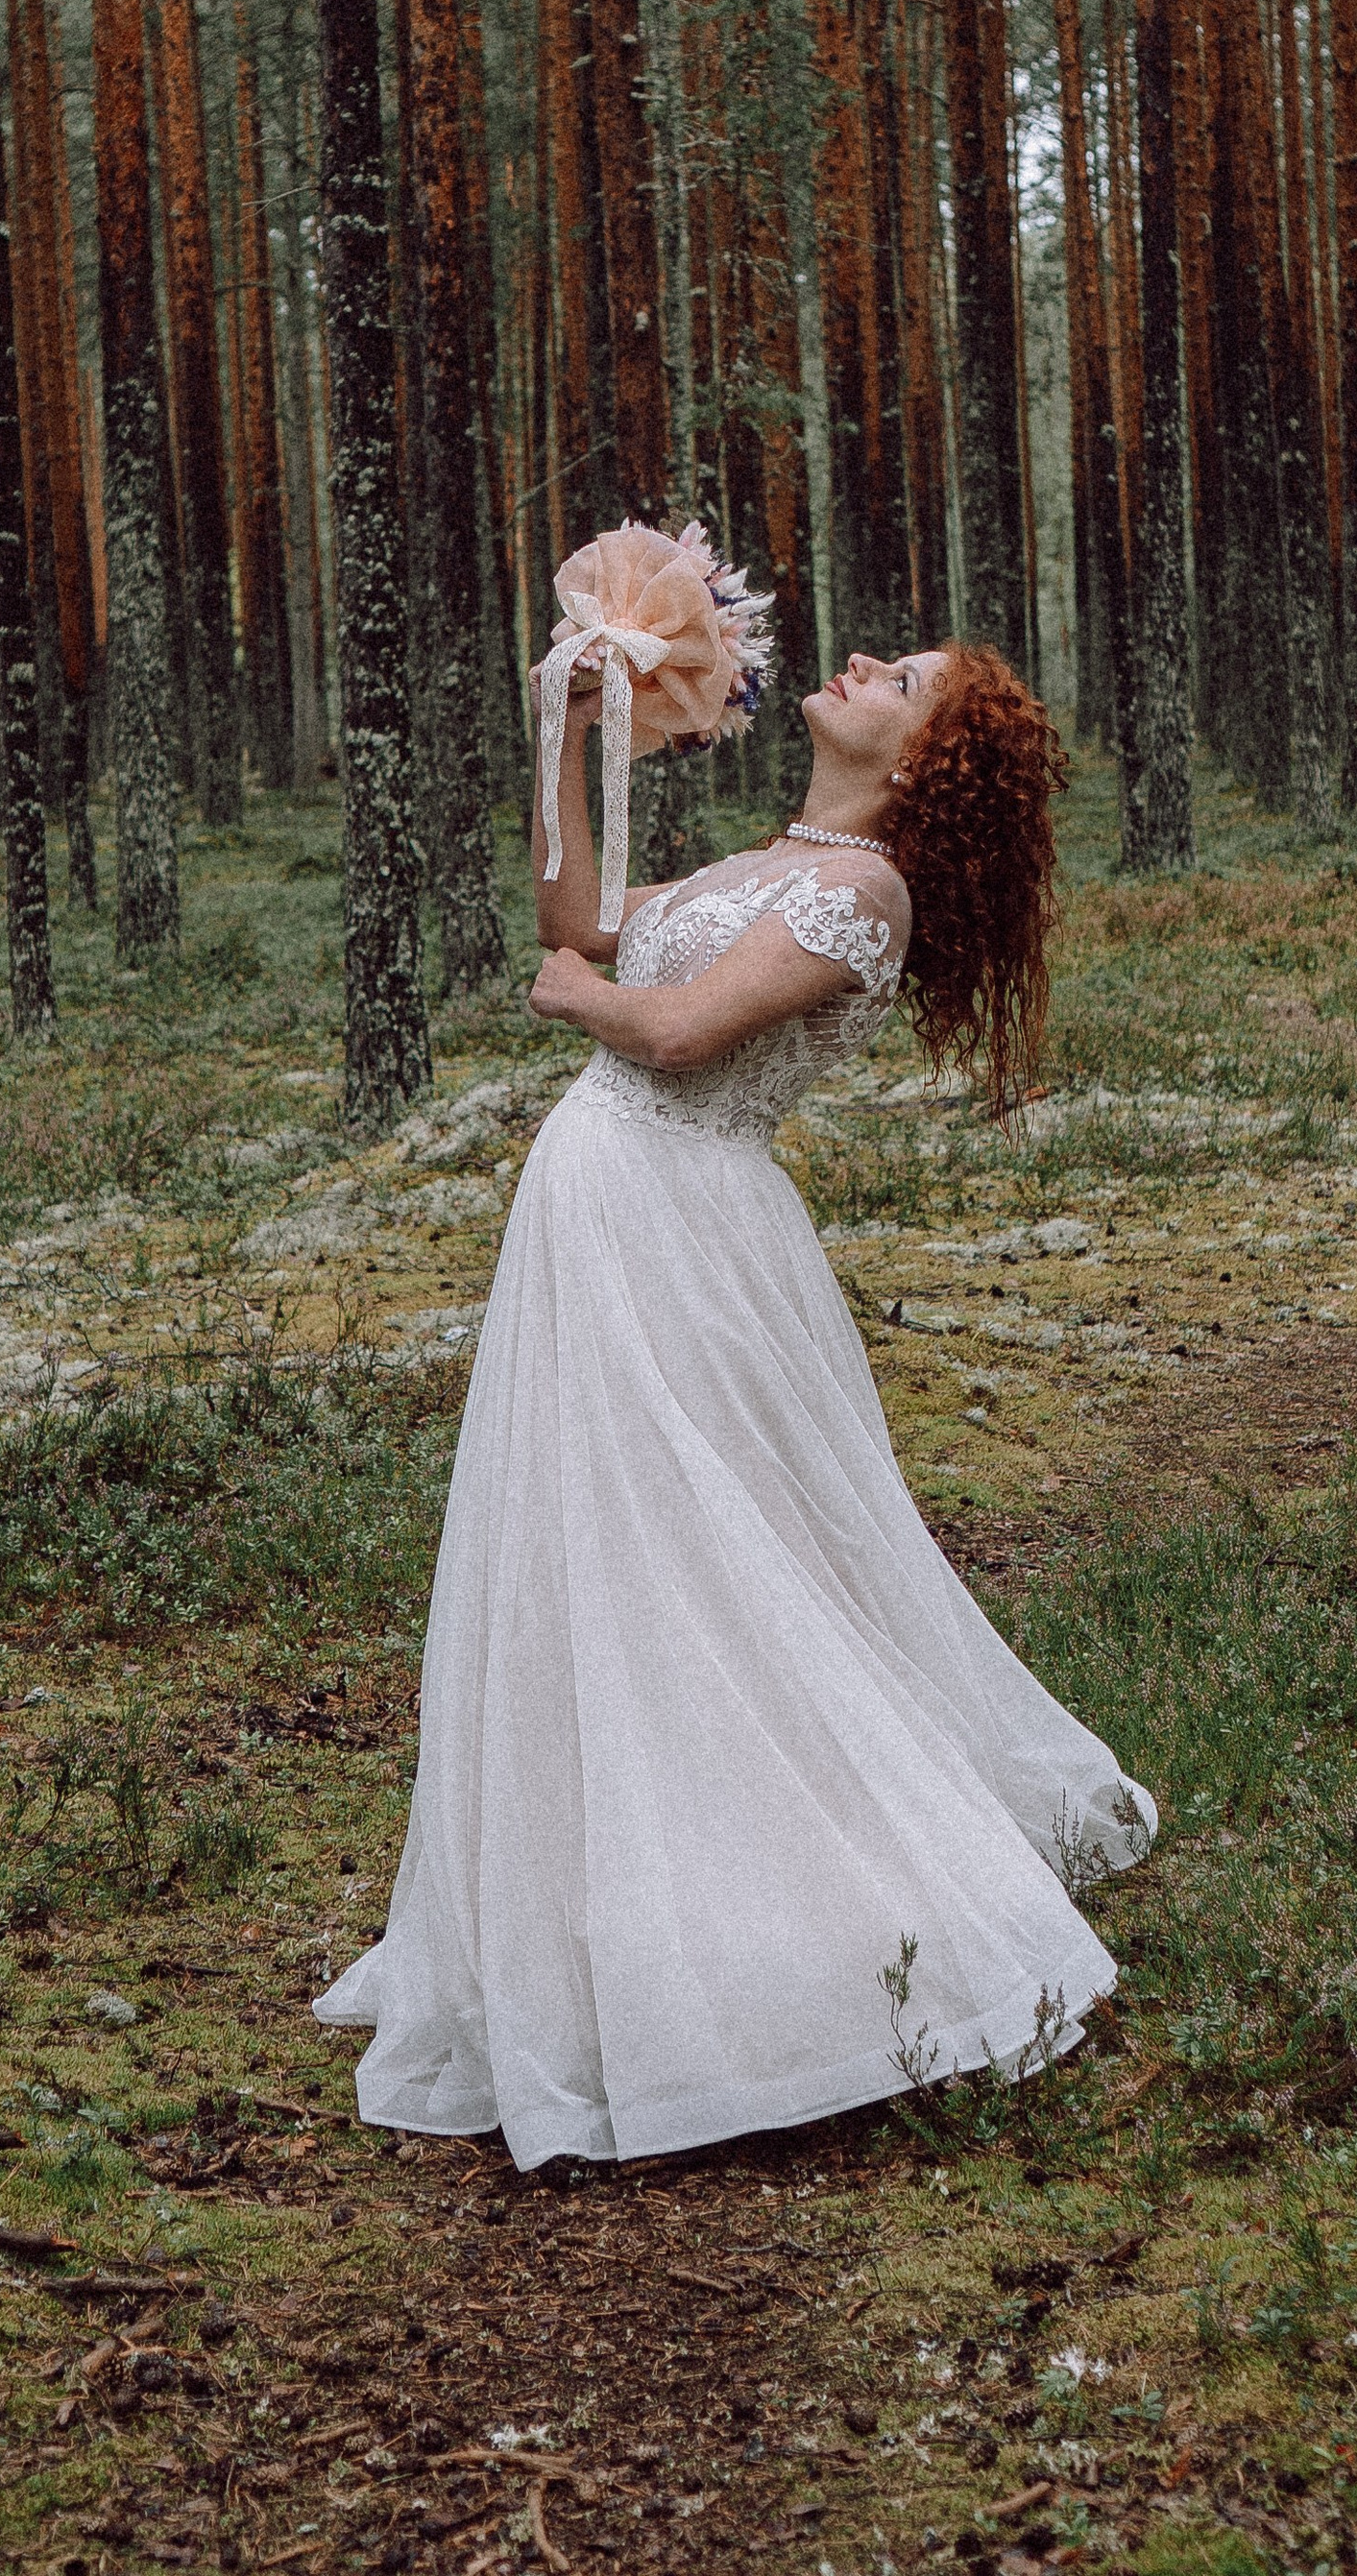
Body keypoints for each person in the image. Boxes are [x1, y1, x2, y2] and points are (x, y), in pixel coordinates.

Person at [312, 639, 1155, 2168]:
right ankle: (624, 1913)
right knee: (603, 1560)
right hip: (604, 1217)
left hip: (683, 1233)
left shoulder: (869, 893)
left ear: (921, 756)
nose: (854, 662)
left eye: (898, 674)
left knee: (716, 1562)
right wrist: (566, 733)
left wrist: (578, 997)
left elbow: (687, 1030)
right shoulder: (774, 859)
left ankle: (790, 1932)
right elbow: (580, 918)